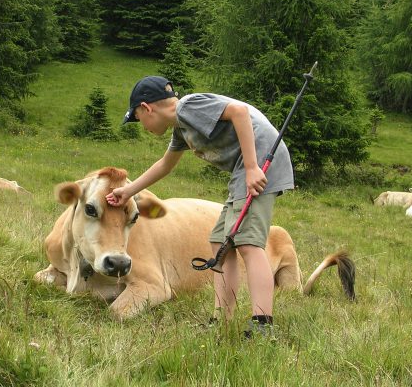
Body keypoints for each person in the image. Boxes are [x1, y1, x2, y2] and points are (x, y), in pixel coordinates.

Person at [105, 76, 294, 336]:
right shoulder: (182, 127)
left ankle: (263, 324)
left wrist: (252, 167)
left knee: (248, 244)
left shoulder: (188, 107)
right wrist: (128, 191)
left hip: (261, 165)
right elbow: (165, 165)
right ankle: (222, 319)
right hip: (244, 171)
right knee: (220, 243)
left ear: (147, 107)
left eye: (138, 117)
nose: (142, 125)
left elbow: (239, 112)